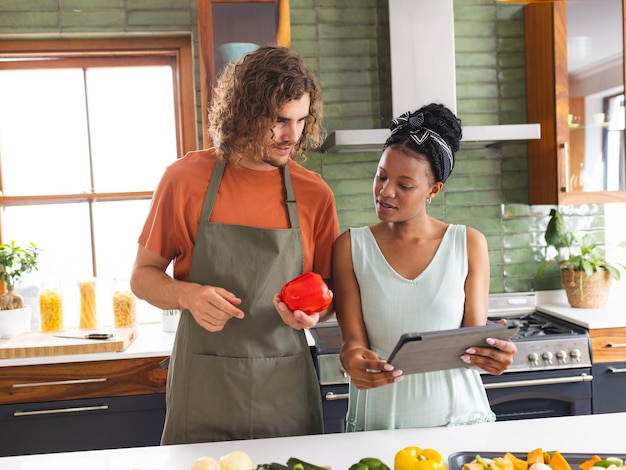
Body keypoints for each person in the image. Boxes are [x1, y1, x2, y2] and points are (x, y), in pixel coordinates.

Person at [130, 45, 340, 444]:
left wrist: (314, 316)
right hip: (205, 391)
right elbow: (142, 278)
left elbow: (328, 296)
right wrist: (187, 295)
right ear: (243, 113)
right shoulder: (185, 179)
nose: (291, 136)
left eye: (300, 120)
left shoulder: (315, 195)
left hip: (285, 390)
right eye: (279, 120)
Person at [331, 103, 518, 431]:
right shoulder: (350, 247)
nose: (386, 191)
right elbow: (353, 342)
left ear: (433, 190)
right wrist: (351, 360)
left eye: (404, 185)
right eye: (381, 176)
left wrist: (493, 355)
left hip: (461, 423)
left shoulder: (469, 244)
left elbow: (472, 339)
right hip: (378, 427)